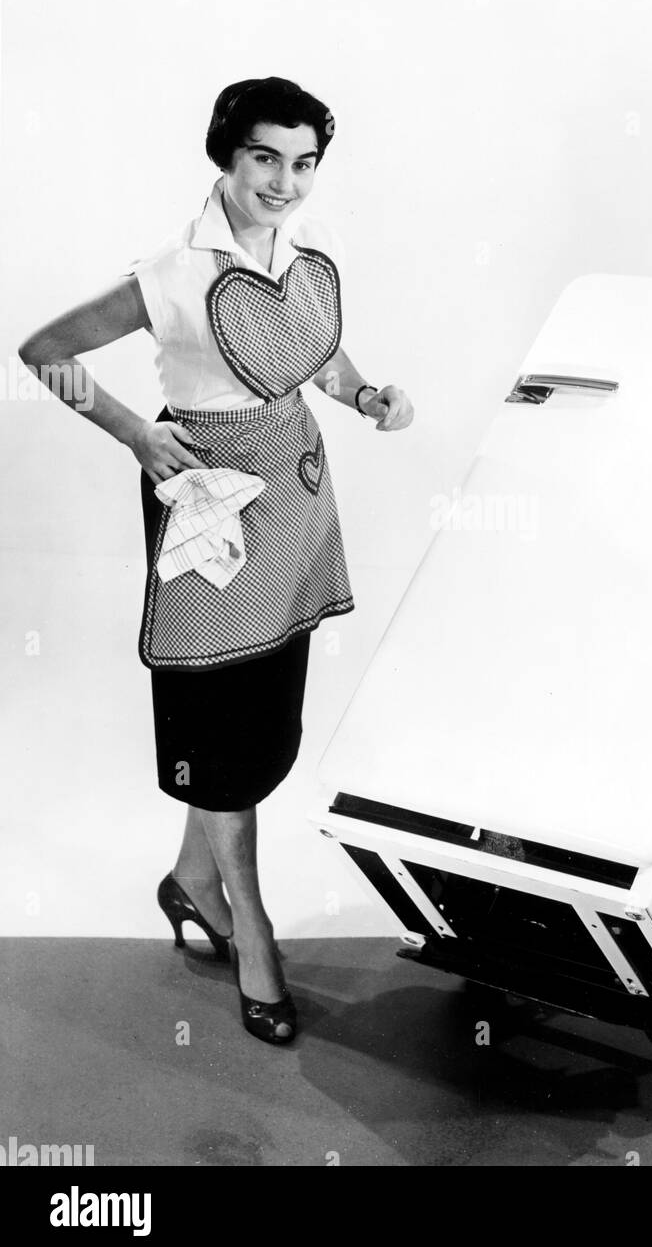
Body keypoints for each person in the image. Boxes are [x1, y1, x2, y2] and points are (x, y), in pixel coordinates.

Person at [19, 76, 414, 1042]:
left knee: (261, 710)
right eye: (264, 159)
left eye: (304, 162)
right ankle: (253, 929)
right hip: (210, 513)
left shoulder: (306, 259)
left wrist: (366, 398)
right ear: (226, 159)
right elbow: (45, 347)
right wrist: (136, 436)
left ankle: (192, 881)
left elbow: (315, 358)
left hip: (294, 502)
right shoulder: (170, 272)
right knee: (213, 702)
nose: (284, 182)